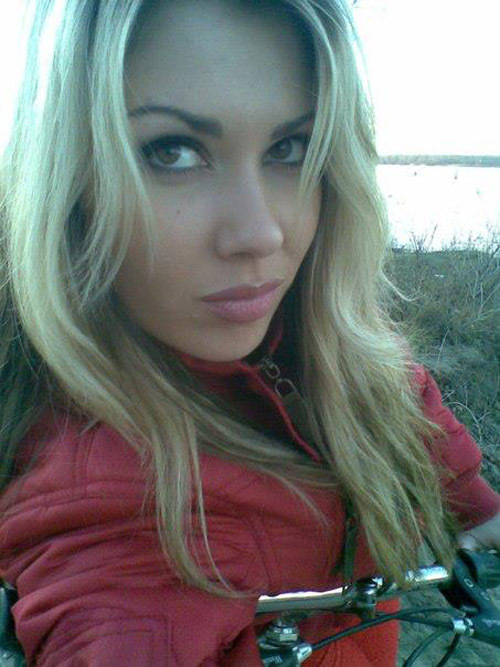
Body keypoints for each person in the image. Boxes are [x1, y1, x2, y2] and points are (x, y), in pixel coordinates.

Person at [0, 0, 498, 664]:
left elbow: (386, 386)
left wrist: (473, 508)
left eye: (289, 148)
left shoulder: (304, 330)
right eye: (172, 151)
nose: (261, 233)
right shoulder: (111, 509)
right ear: (70, 182)